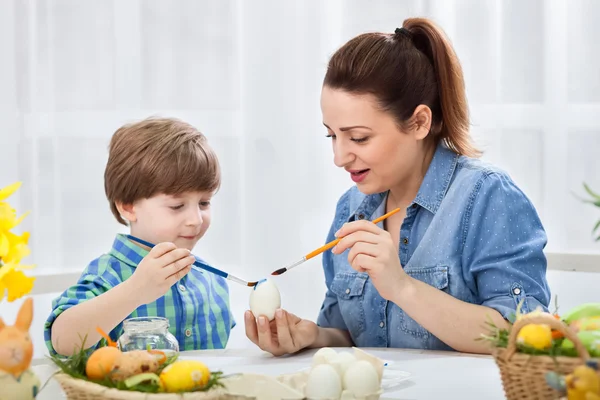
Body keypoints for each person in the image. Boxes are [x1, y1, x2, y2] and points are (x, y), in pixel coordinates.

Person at [244, 17, 551, 355]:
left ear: (419, 122)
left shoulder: (487, 197)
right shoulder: (350, 209)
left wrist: (402, 287)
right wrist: (311, 338)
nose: (339, 157)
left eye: (358, 137)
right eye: (332, 135)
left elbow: (522, 338)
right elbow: (347, 333)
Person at [44, 117, 234, 356]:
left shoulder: (212, 281)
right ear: (128, 206)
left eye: (204, 203)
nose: (196, 219)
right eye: (177, 206)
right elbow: (62, 340)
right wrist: (135, 291)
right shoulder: (107, 275)